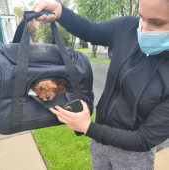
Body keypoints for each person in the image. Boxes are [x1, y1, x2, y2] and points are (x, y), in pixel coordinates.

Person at [31, 0, 169, 169]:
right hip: (98, 140)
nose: (144, 29)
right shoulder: (127, 27)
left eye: (157, 23)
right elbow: (90, 30)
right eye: (142, 17)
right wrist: (61, 11)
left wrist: (88, 127)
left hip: (133, 155)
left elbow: (144, 139)